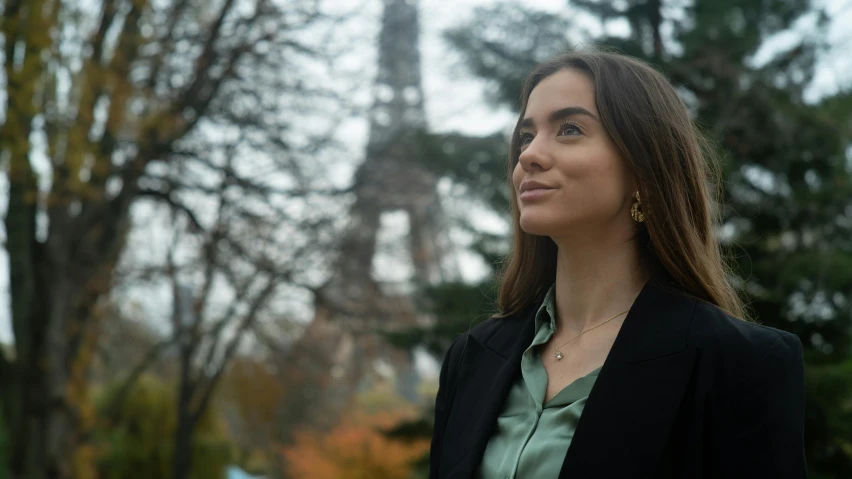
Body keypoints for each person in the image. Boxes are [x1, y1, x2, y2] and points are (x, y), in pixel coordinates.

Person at [429, 50, 806, 479]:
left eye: (569, 129)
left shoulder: (738, 364)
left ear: (644, 171)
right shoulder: (471, 359)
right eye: (526, 136)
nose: (528, 156)